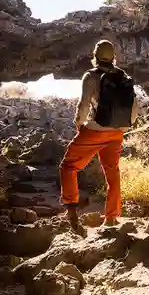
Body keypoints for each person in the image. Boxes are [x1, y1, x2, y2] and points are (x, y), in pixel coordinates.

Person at [59, 39, 139, 230]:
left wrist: (80, 125)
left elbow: (83, 105)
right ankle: (111, 218)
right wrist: (122, 128)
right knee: (112, 173)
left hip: (95, 131)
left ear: (94, 57)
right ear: (113, 58)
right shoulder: (123, 76)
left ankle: (71, 214)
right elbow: (133, 107)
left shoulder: (91, 76)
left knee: (68, 167)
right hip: (117, 132)